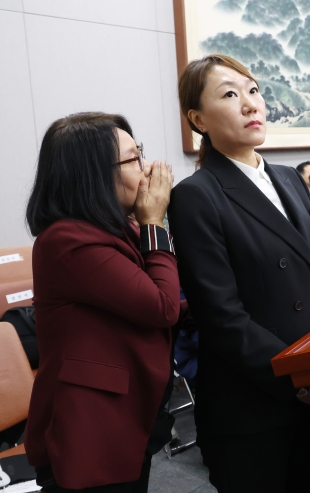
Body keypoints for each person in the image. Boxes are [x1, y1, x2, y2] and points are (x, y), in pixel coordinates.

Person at [170, 54, 310, 493]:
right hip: (254, 401)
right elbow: (221, 315)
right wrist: (297, 377)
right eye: (230, 94)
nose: (251, 105)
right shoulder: (196, 196)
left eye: (253, 90)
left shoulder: (288, 179)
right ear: (198, 119)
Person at [24, 112, 180, 491]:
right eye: (133, 159)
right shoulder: (66, 240)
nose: (146, 168)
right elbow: (160, 305)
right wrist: (155, 224)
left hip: (127, 415)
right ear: (93, 174)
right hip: (91, 431)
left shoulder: (119, 226)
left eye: (138, 152)